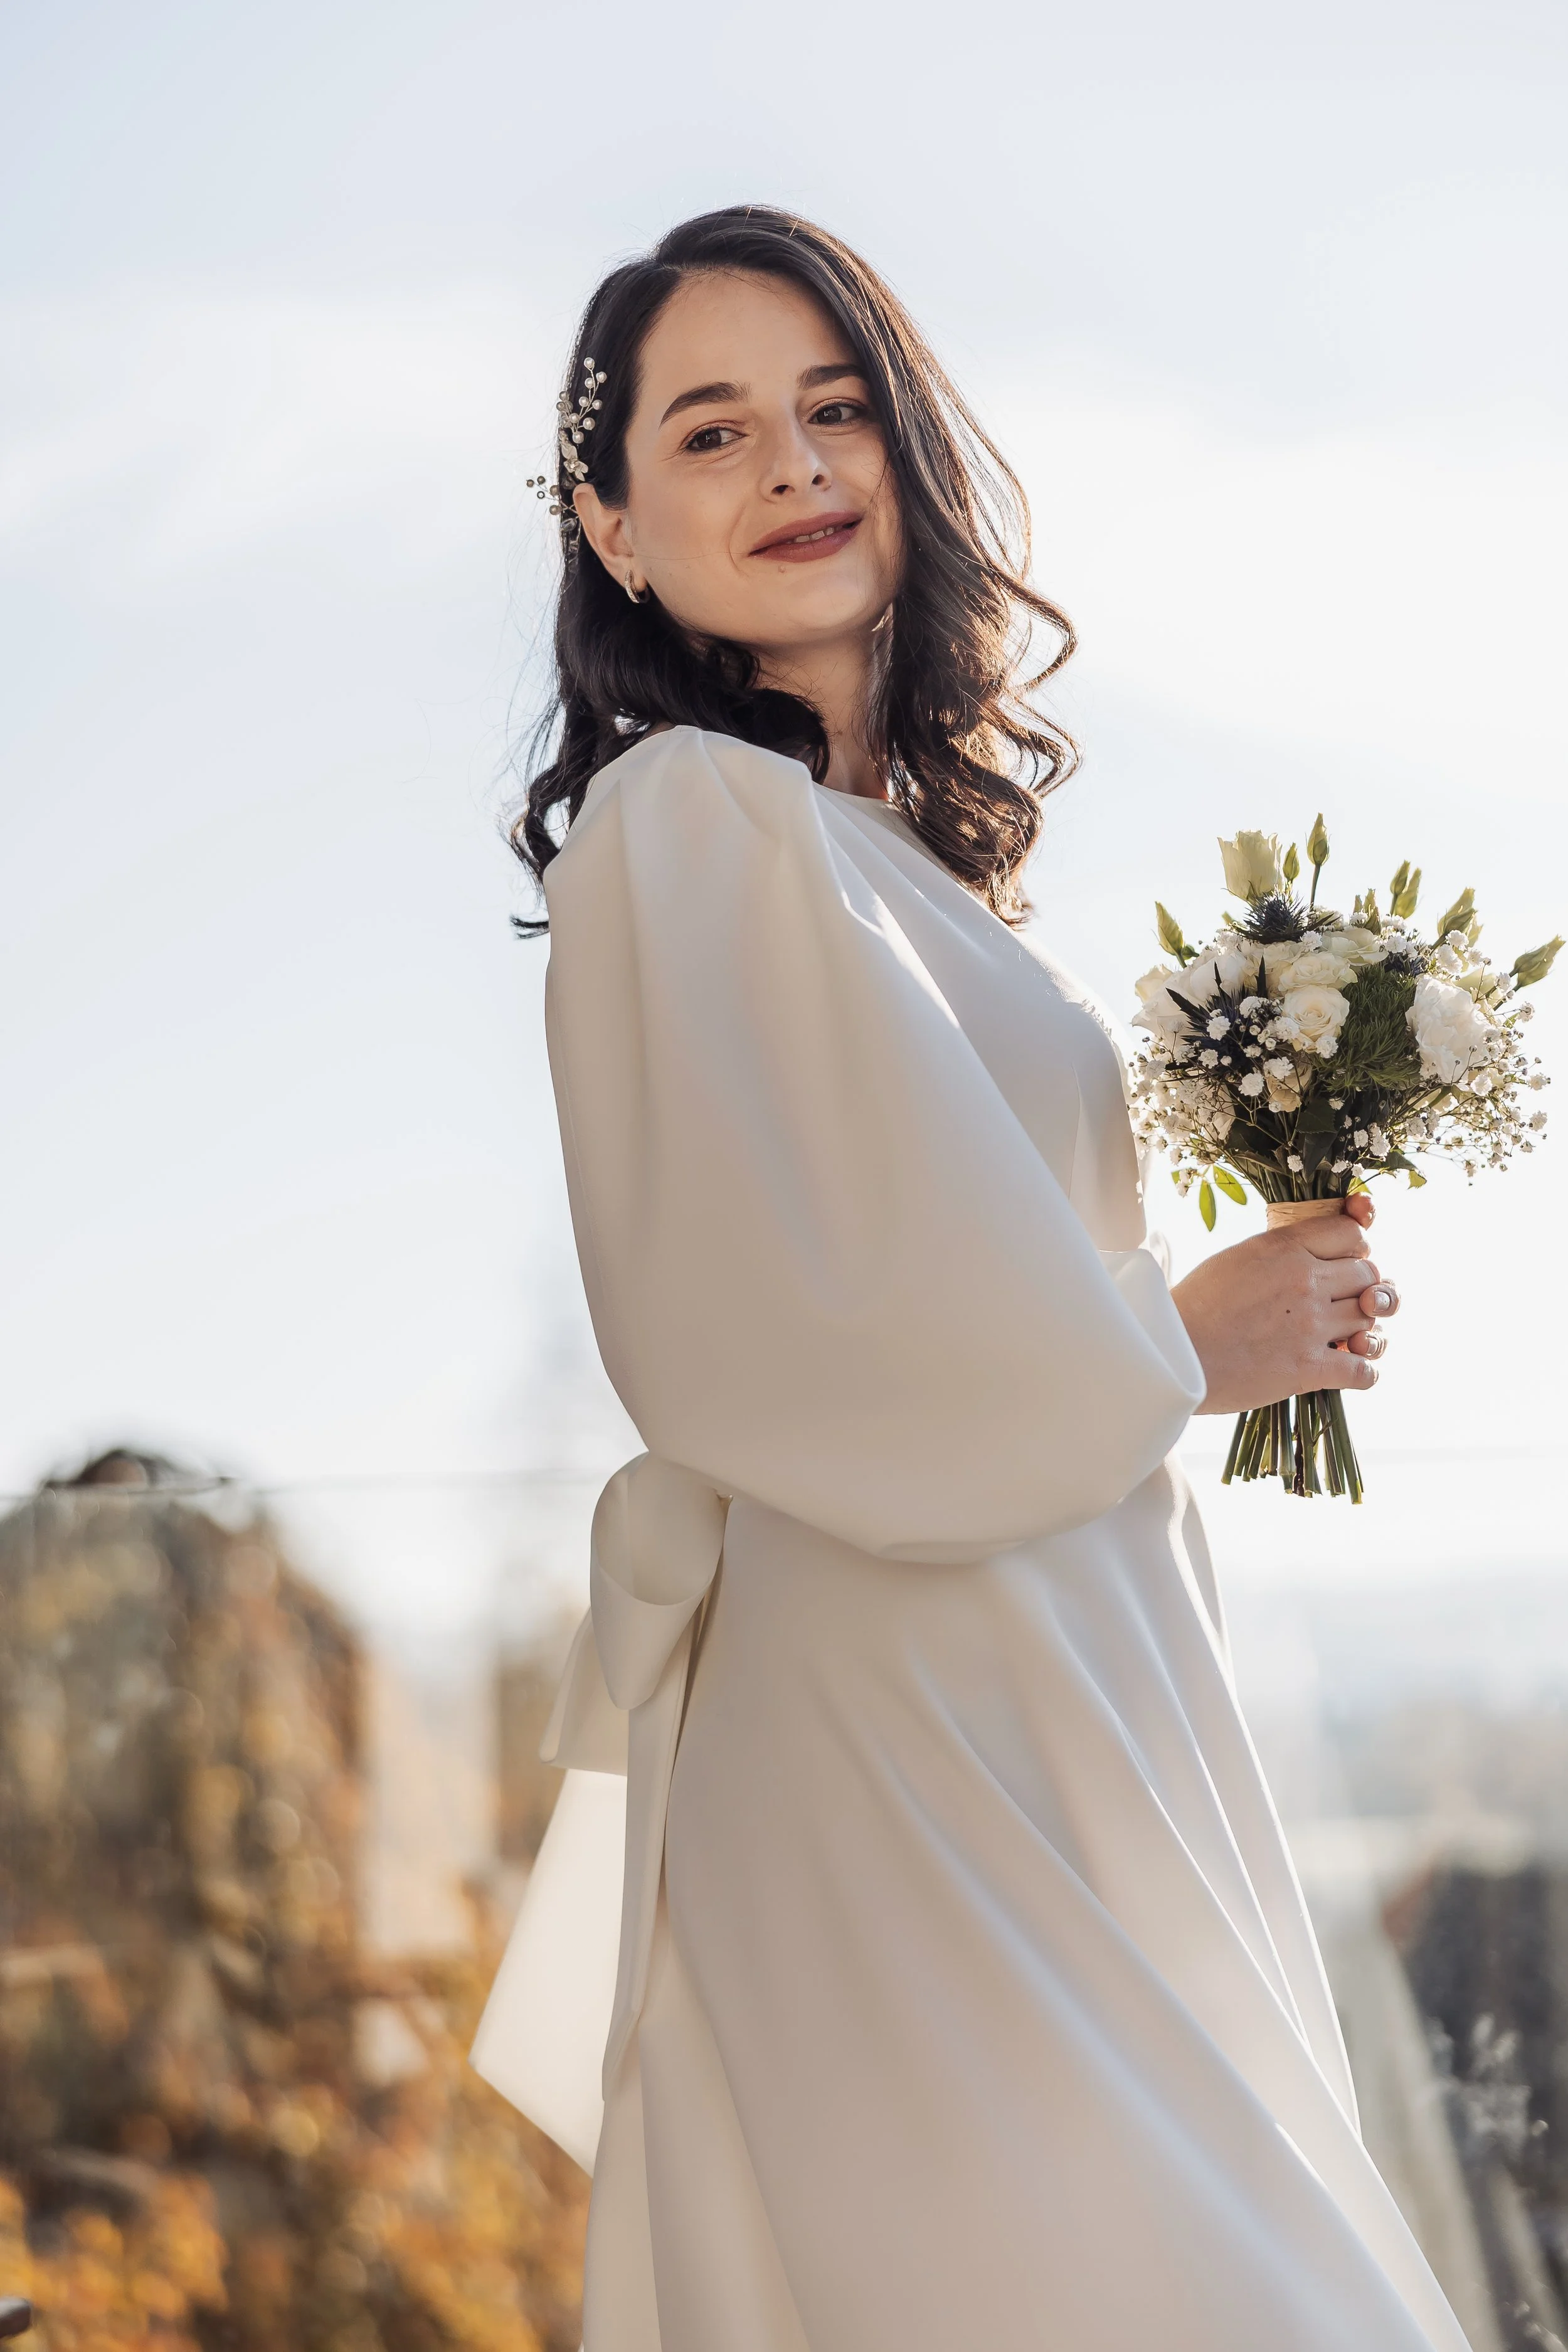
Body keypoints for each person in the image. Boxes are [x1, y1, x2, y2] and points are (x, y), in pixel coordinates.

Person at [474, 205, 1468, 2352]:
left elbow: (951, 1258)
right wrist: (1177, 1342)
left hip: (1063, 1680)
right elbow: (753, 1336)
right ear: (612, 524)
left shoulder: (891, 864)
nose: (795, 467)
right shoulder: (678, 827)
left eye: (836, 410)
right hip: (895, 1727)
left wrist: (1233, 1310)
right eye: (713, 430)